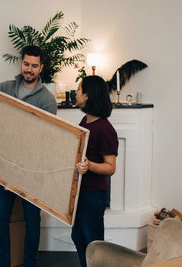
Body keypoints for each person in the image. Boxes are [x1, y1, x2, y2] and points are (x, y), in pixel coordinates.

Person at [0, 45, 57, 267]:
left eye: (34, 65)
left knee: (32, 223)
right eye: (26, 64)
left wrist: (21, 174)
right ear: (21, 63)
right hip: (1, 170)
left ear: (41, 67)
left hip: (30, 174)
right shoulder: (4, 88)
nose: (29, 69)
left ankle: (28, 265)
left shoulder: (47, 99)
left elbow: (46, 142)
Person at [72, 75, 118, 267]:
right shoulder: (85, 120)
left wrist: (90, 166)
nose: (76, 92)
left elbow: (111, 167)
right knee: (78, 237)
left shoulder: (105, 129)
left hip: (94, 195)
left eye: (79, 88)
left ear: (87, 96)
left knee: (94, 244)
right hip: (81, 192)